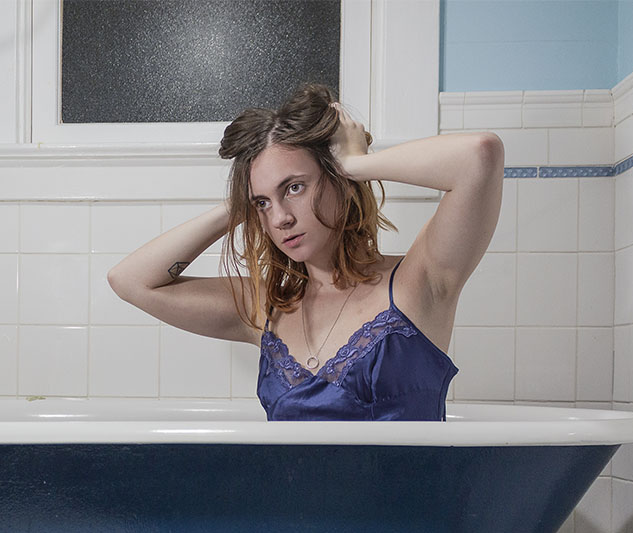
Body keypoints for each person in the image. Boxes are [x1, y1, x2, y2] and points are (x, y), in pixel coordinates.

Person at [108, 84, 503, 420]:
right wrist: (238, 204)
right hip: (286, 511)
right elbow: (130, 281)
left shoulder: (420, 280)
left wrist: (354, 163)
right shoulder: (266, 306)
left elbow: (479, 155)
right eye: (262, 203)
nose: (279, 218)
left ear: (339, 181)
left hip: (401, 509)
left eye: (294, 187)